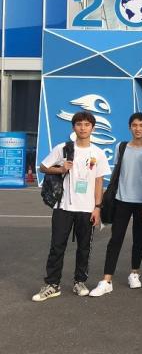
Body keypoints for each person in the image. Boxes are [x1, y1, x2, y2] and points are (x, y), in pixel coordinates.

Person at [33, 111, 111, 301]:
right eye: (79, 124)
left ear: (93, 128)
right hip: (63, 207)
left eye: (86, 124)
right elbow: (43, 166)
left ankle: (79, 282)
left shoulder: (98, 153)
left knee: (84, 248)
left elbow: (99, 182)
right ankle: (52, 284)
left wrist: (98, 207)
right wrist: (60, 169)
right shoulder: (63, 148)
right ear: (73, 127)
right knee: (57, 246)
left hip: (87, 208)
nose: (83, 128)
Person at [90, 113, 142, 297]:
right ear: (129, 127)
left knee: (139, 239)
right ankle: (106, 280)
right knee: (115, 239)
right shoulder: (121, 147)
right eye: (134, 125)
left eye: (141, 125)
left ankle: (134, 273)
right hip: (121, 200)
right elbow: (117, 172)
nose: (138, 128)